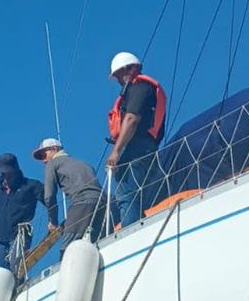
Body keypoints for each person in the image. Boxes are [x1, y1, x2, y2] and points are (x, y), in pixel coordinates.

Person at [106, 51, 167, 228]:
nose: (118, 80)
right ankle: (140, 228)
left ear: (130, 69)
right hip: (147, 147)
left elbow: (132, 118)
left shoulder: (139, 87)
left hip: (138, 147)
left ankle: (130, 233)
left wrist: (116, 152)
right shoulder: (141, 87)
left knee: (126, 191)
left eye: (119, 75)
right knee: (136, 194)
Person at [32, 138, 107, 258]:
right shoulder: (84, 163)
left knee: (68, 250)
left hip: (82, 203)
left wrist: (53, 221)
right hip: (104, 202)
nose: (43, 160)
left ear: (54, 150)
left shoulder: (53, 164)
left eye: (43, 154)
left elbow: (49, 196)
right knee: (100, 243)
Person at [0, 153, 44, 272]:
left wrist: (52, 220)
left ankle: (19, 287)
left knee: (16, 269)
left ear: (16, 171)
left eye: (9, 172)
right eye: (4, 173)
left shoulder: (31, 186)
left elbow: (49, 200)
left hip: (20, 234)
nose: (7, 176)